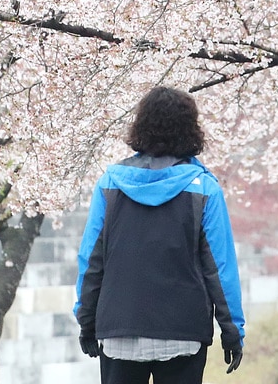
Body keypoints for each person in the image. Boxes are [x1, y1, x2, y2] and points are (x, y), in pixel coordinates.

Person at [74, 86, 244, 384]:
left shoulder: (109, 185)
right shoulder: (204, 189)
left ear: (141, 125)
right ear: (191, 130)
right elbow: (219, 268)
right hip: (183, 332)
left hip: (119, 330)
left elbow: (92, 261)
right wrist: (232, 331)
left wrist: (86, 321)